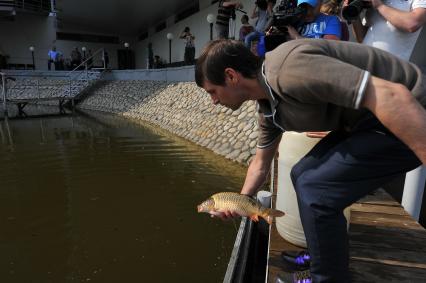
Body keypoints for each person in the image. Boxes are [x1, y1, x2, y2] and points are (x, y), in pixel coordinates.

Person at [195, 39, 426, 282]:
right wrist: (240, 202)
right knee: (301, 174)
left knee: (317, 188)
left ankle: (325, 278)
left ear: (231, 76)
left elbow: (392, 95)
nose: (214, 101)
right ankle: (321, 261)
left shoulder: (288, 70)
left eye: (212, 91)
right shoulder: (267, 106)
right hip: (365, 123)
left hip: (411, 111)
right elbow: (261, 163)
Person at [350, 0, 426, 62]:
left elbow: (412, 23)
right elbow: (361, 38)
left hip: (390, 71)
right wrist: (353, 13)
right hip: (364, 64)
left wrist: (380, 6)